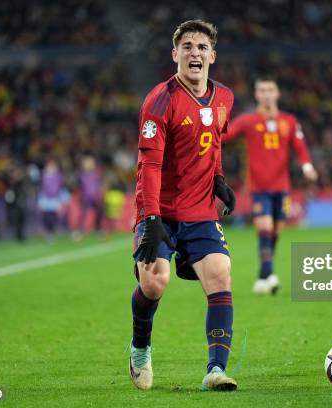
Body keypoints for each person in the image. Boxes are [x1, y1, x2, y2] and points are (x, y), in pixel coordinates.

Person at [130, 20, 237, 391]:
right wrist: (151, 218)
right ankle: (140, 346)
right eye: (187, 46)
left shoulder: (225, 98)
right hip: (160, 211)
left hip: (200, 211)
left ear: (212, 55)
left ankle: (215, 370)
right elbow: (150, 165)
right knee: (155, 283)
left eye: (201, 46)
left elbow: (215, 142)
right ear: (175, 54)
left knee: (221, 274)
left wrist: (219, 178)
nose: (195, 52)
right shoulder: (160, 100)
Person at [222, 77, 317, 294]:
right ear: (257, 95)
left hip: (282, 188)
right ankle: (270, 275)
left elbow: (300, 147)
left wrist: (307, 167)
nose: (266, 94)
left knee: (275, 232)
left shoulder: (289, 121)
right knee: (264, 228)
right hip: (258, 188)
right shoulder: (247, 121)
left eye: (270, 90)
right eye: (262, 90)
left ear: (277, 94)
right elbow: (223, 135)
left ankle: (264, 276)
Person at [72, 156, 103, 241]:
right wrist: (80, 196)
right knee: (83, 215)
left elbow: (98, 186)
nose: (89, 165)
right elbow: (78, 187)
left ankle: (98, 230)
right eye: (87, 163)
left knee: (99, 213)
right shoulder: (81, 175)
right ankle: (78, 231)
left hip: (95, 198)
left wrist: (98, 195)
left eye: (91, 163)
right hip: (85, 198)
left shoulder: (96, 175)